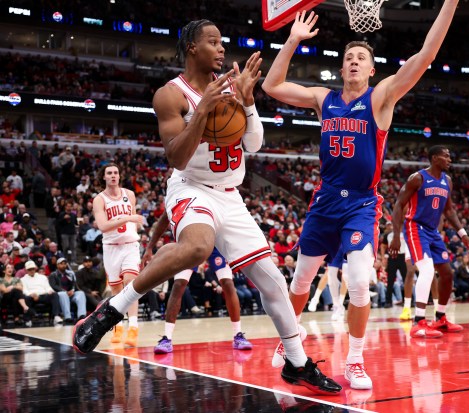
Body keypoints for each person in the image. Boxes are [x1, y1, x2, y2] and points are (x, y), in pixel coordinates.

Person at [73, 19, 340, 394]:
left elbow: (255, 145)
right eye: (212, 42)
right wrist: (202, 112)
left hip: (230, 195)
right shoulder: (170, 95)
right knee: (198, 246)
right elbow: (177, 157)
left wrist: (247, 103)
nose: (220, 49)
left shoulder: (234, 85)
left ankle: (297, 363)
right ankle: (113, 308)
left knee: (273, 282)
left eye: (221, 42)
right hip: (191, 188)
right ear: (192, 48)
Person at [261, 2, 459, 389]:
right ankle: (289, 340)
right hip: (325, 199)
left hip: (362, 203)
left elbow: (427, 54)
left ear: (371, 69)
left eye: (361, 58)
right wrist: (292, 40)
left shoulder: (382, 96)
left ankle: (354, 361)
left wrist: (449, 2)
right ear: (342, 67)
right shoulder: (324, 99)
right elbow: (271, 86)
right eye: (348, 57)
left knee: (357, 280)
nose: (354, 61)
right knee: (301, 282)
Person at [388, 145, 469, 339]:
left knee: (447, 273)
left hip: (433, 231)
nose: (449, 159)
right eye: (446, 156)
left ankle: (441, 318)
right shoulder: (417, 178)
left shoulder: (448, 181)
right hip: (414, 227)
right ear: (435, 158)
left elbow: (449, 210)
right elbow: (398, 205)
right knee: (426, 270)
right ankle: (418, 322)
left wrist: (462, 233)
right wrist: (395, 236)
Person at [142, 213, 251, 354]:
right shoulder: (179, 195)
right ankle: (166, 338)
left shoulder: (213, 194)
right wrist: (150, 246)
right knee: (178, 285)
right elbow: (164, 218)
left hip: (216, 241)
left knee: (228, 284)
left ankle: (238, 334)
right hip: (191, 241)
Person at [90, 163, 143, 347]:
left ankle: (134, 327)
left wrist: (133, 228)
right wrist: (127, 218)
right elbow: (103, 226)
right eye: (109, 173)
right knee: (116, 291)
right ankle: (118, 326)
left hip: (130, 245)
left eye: (115, 173)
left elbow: (135, 219)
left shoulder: (129, 194)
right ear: (104, 177)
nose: (113, 175)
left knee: (131, 283)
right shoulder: (99, 199)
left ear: (119, 176)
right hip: (111, 247)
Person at [21, 260, 63, 325]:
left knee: (54, 294)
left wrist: (50, 291)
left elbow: (48, 287)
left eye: (33, 269)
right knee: (26, 298)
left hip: (43, 295)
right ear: (26, 270)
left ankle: (56, 316)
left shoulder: (42, 277)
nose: (32, 271)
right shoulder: (23, 279)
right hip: (31, 296)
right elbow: (25, 290)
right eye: (29, 269)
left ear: (35, 269)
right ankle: (28, 320)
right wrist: (31, 294)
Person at [49, 257, 87, 323]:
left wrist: (72, 290)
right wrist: (65, 291)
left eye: (65, 263)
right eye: (61, 264)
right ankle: (67, 317)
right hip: (59, 294)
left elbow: (74, 284)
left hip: (70, 293)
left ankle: (81, 315)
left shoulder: (71, 273)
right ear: (57, 265)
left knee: (81, 293)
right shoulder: (53, 274)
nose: (64, 265)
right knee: (63, 294)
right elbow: (54, 286)